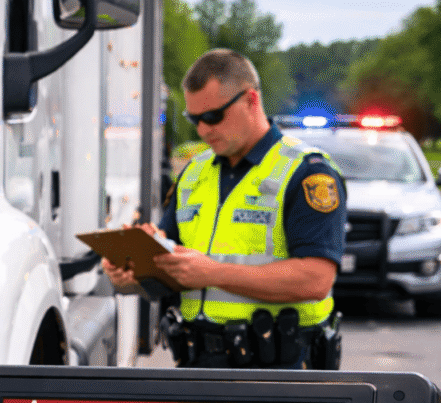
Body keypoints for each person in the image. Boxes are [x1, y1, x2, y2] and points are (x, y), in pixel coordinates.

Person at [103, 49, 345, 369]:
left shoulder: (306, 173)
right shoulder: (194, 172)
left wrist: (212, 273)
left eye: (213, 116)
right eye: (194, 119)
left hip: (280, 373)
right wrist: (132, 274)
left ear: (251, 100)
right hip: (198, 364)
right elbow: (173, 268)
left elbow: (315, 280)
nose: (203, 130)